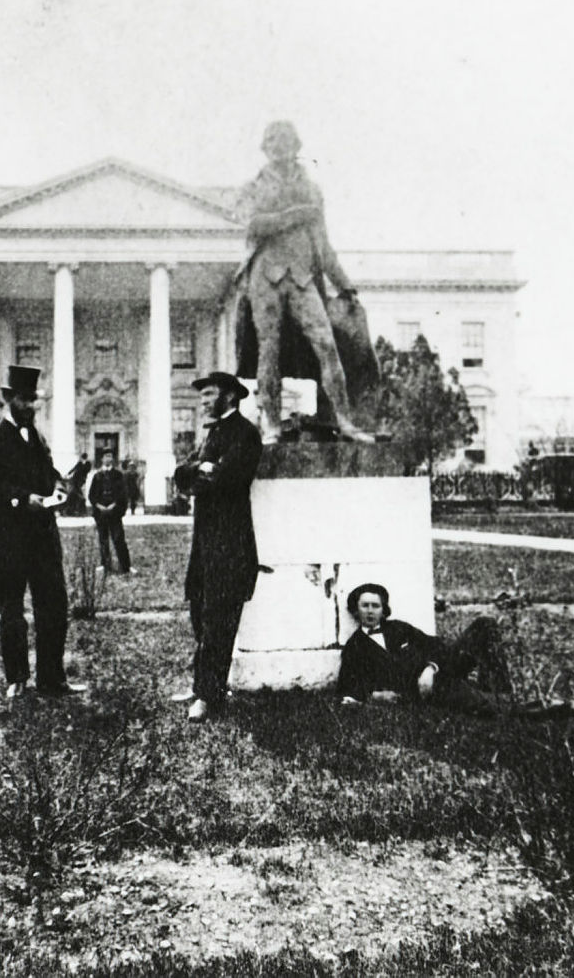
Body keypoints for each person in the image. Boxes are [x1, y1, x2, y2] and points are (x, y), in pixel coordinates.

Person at [233, 121, 377, 444]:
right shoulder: (253, 186)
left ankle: (345, 421)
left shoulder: (312, 189)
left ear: (296, 146)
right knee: (268, 351)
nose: (279, 146)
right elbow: (252, 224)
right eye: (272, 140)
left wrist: (345, 285)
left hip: (301, 276)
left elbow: (323, 246)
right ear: (265, 147)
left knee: (327, 344)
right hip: (265, 276)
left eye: (285, 140)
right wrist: (294, 216)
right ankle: (270, 425)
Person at [0, 365, 85, 700]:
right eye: (23, 399)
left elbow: (47, 478)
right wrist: (20, 499)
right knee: (12, 612)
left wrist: (59, 490)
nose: (30, 405)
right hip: (8, 540)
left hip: (43, 539)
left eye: (33, 399)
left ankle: (51, 679)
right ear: (7, 399)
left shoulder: (37, 439)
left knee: (54, 608)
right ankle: (16, 679)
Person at [337, 582, 574, 718]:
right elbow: (347, 691)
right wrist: (373, 697)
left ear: (383, 609)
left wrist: (431, 667)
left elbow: (436, 645)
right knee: (490, 710)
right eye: (365, 606)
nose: (370, 611)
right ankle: (554, 710)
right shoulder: (355, 647)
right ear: (356, 610)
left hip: (438, 671)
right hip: (429, 690)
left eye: (375, 606)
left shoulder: (399, 628)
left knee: (485, 625)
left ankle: (500, 689)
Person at [172, 371, 263, 723]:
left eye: (209, 394)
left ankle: (209, 697)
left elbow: (226, 479)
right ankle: (204, 686)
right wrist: (202, 467)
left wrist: (205, 472)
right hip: (205, 543)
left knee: (219, 623)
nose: (204, 401)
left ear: (230, 396)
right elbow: (183, 474)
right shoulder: (212, 434)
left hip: (231, 545)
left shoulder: (245, 434)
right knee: (200, 614)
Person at [88, 449, 133, 576]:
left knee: (118, 538)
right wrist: (99, 506)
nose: (108, 458)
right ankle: (105, 565)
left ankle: (125, 566)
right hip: (101, 513)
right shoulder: (97, 476)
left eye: (110, 456)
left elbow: (122, 493)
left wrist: (114, 505)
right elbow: (92, 495)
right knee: (103, 539)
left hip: (114, 512)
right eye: (106, 456)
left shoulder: (118, 475)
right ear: (102, 459)